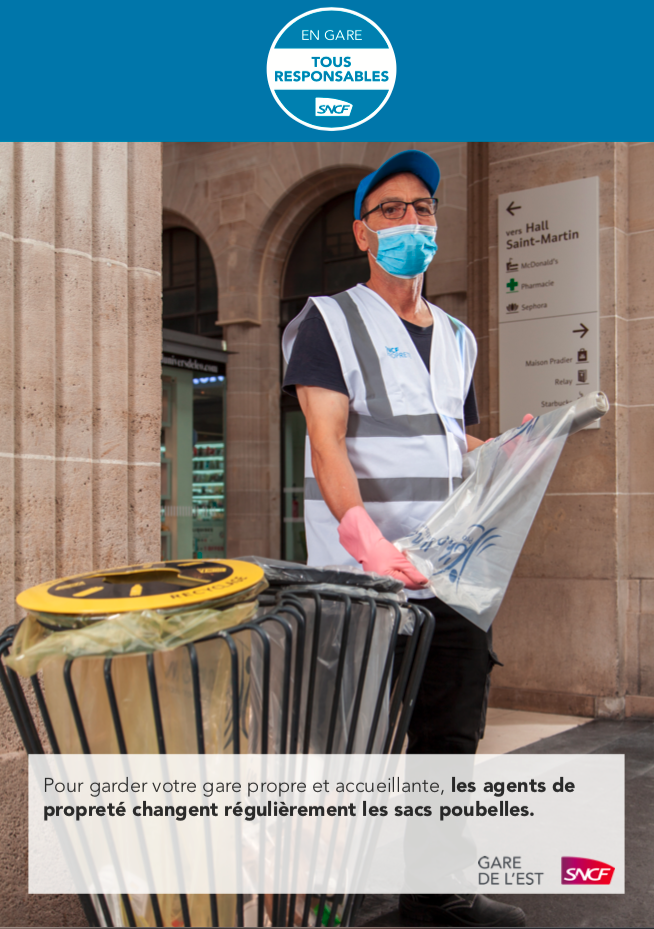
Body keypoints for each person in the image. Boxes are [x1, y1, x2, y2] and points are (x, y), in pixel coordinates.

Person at [282, 150, 527, 927]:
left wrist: (519, 451)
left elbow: (459, 443)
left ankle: (436, 891)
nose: (410, 222)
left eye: (422, 208)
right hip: (362, 578)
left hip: (447, 576)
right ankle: (314, 897)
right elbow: (327, 441)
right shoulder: (327, 320)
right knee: (344, 739)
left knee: (448, 733)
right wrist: (363, 537)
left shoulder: (460, 338)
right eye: (390, 210)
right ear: (362, 232)